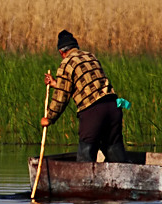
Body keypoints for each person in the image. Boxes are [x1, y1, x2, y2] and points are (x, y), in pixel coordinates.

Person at [41, 30, 129, 163]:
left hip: (93, 110)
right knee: (113, 148)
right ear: (76, 47)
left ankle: (83, 182)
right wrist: (56, 83)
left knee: (86, 153)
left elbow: (61, 97)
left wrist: (49, 118)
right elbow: (88, 82)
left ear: (61, 52)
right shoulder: (90, 56)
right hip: (113, 106)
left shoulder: (67, 63)